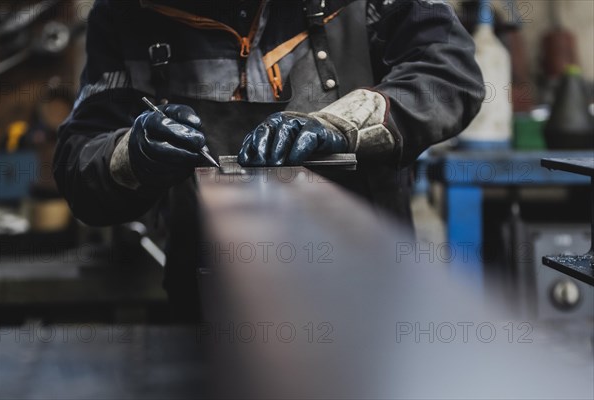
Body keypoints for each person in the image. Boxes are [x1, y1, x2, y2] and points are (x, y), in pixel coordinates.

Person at [54, 0, 484, 319]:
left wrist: (342, 125)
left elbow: (447, 73)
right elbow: (79, 161)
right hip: (211, 305)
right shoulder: (130, 14)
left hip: (373, 297)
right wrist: (132, 154)